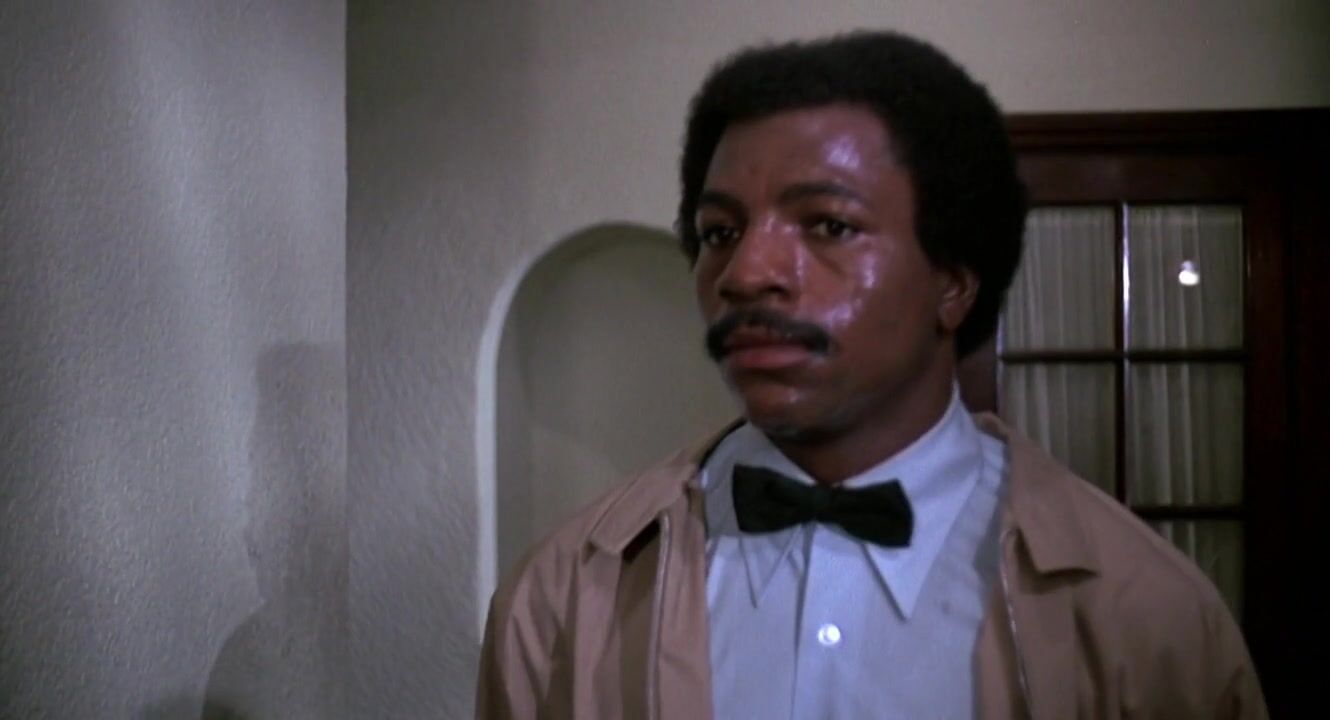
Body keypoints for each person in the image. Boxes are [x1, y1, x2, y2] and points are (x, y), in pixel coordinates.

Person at [476, 31, 1266, 719]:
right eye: (720, 232)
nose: (744, 274)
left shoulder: (1146, 615)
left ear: (953, 282)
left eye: (828, 225)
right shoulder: (563, 600)